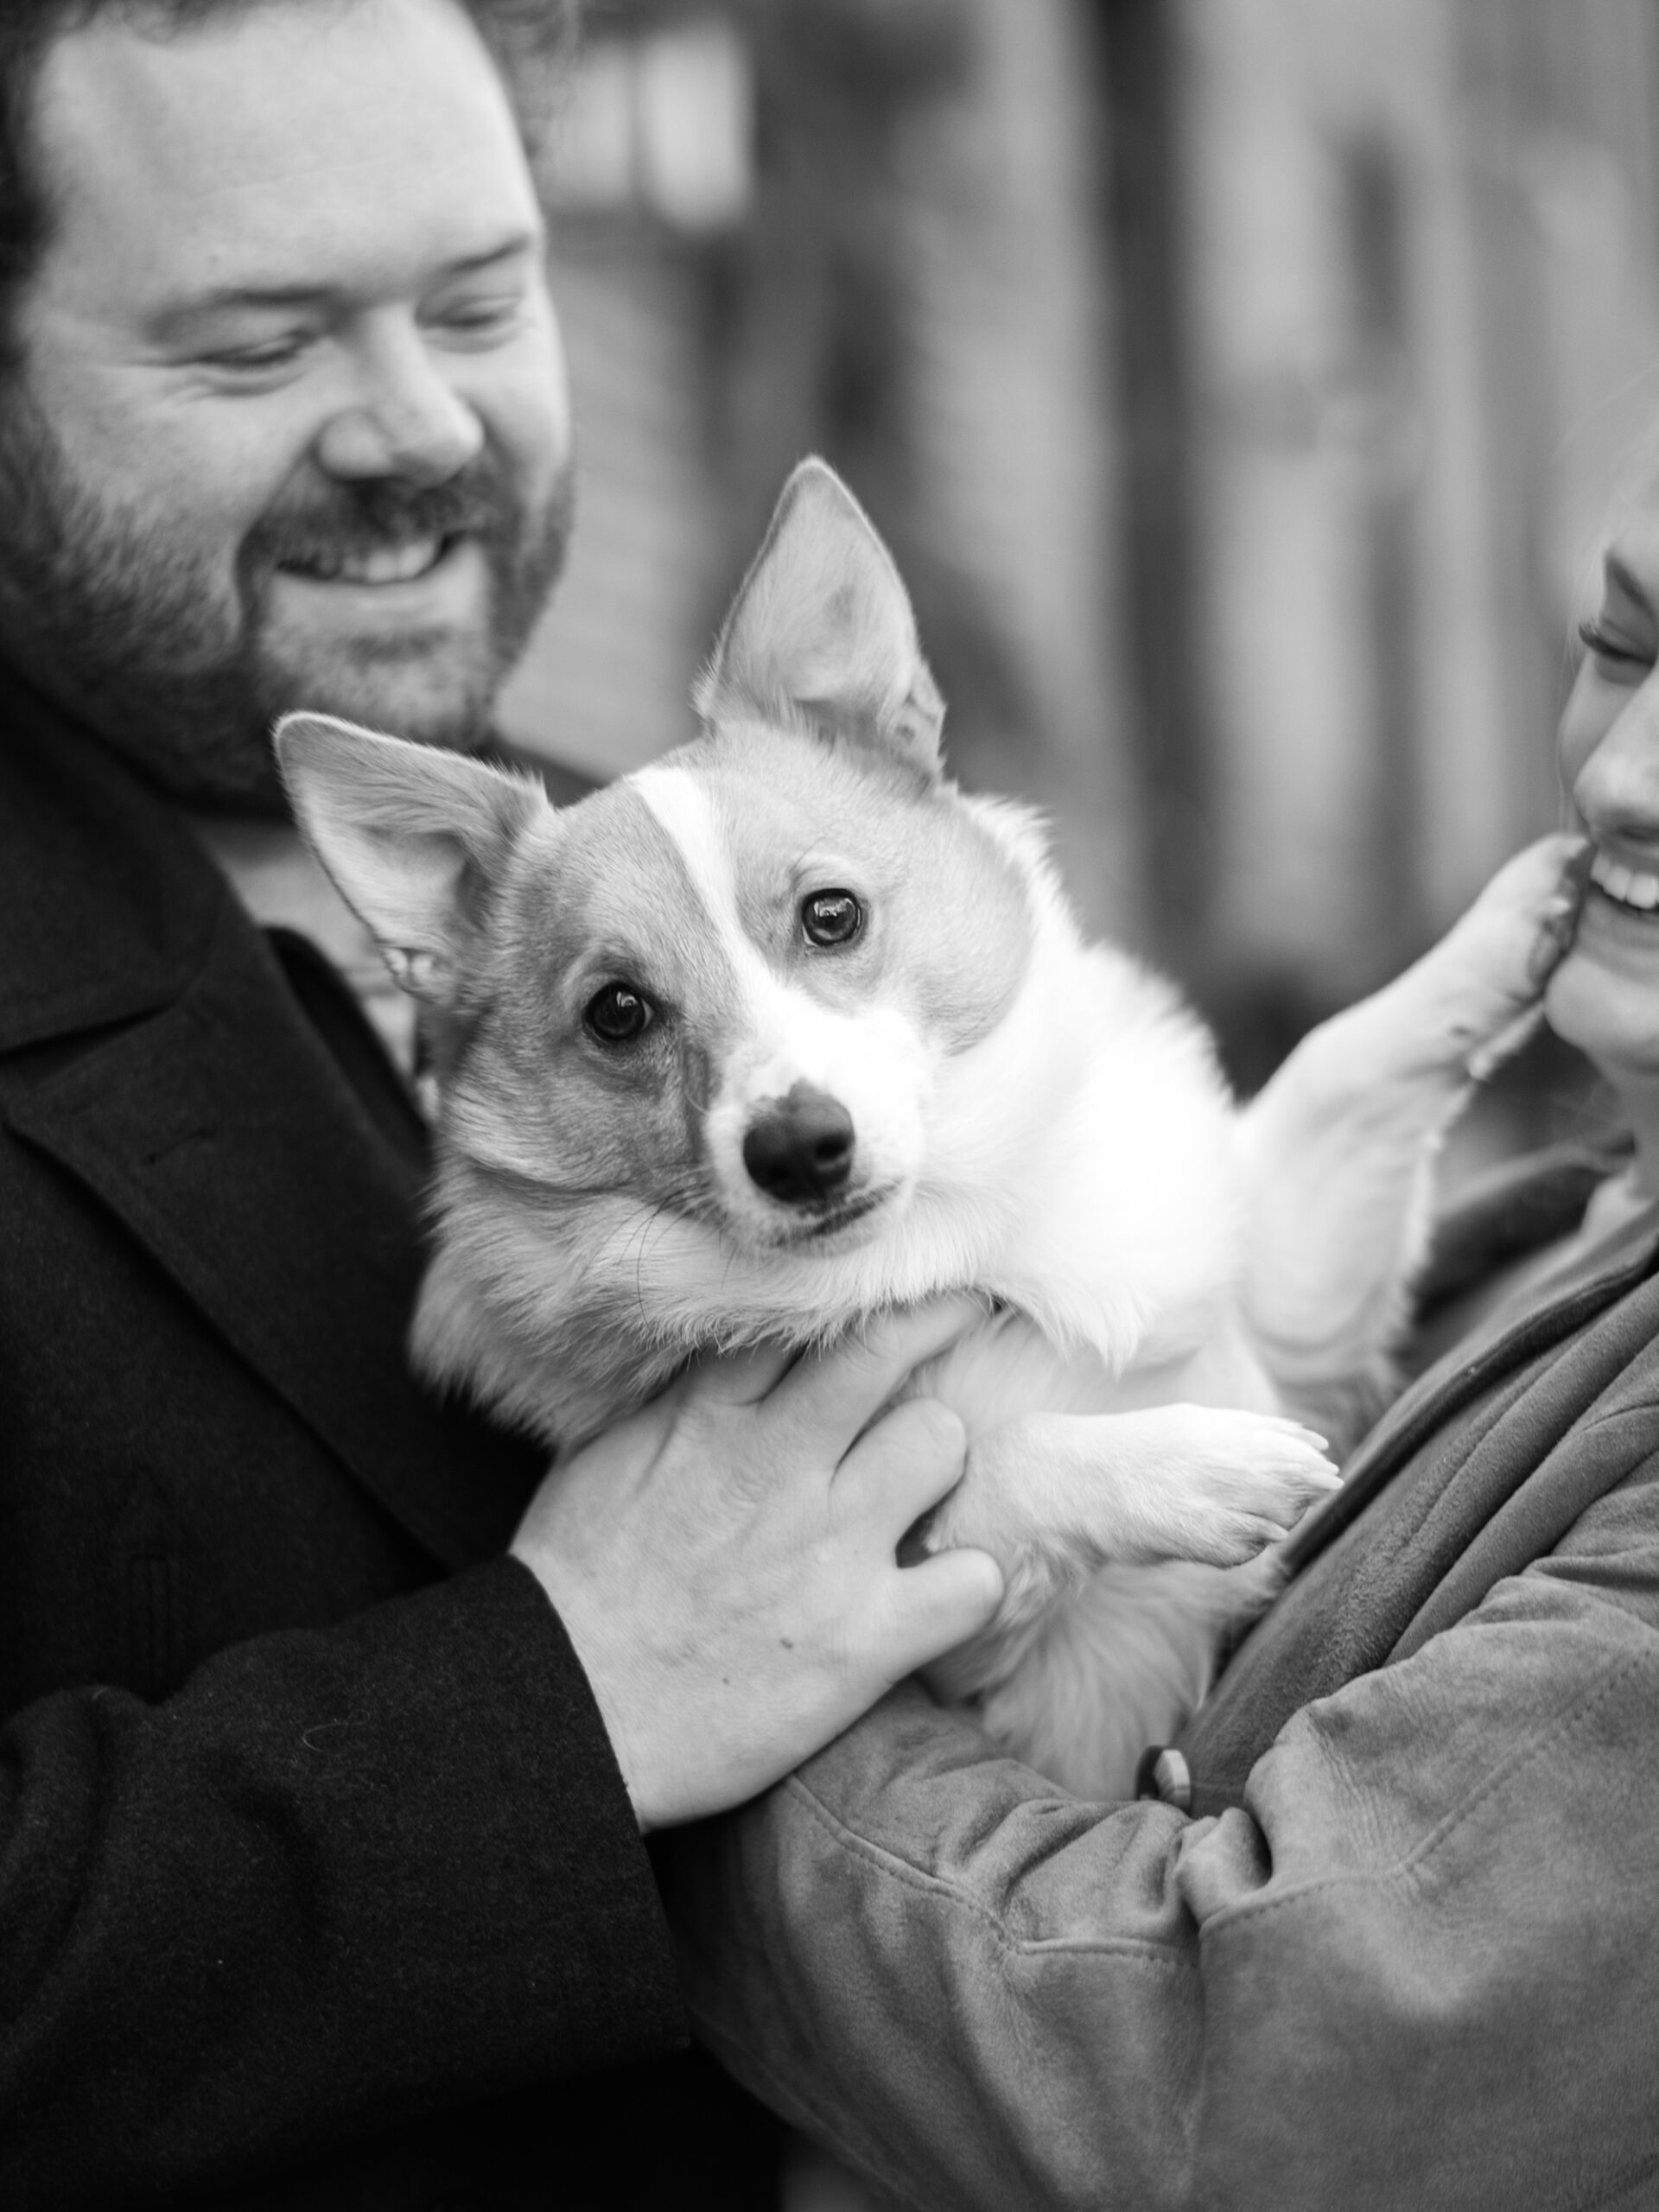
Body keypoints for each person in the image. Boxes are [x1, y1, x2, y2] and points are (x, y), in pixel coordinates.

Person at [0, 3, 1004, 2206]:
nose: (421, 424)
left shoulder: (730, 841)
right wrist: (553, 1700)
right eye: (257, 346)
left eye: (482, 295)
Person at [663, 474, 1659, 2208]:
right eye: (1622, 642)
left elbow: (1214, 2074)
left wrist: (651, 1713)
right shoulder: (1556, 1252)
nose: (1624, 771)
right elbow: (1284, 1380)